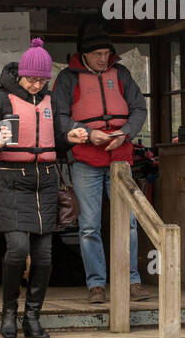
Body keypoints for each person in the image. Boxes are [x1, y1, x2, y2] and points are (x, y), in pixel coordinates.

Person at [0, 38, 83, 338]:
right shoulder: (0, 100)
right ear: (20, 74)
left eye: (41, 80)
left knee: (45, 256)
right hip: (9, 180)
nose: (36, 85)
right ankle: (8, 312)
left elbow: (56, 141)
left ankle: (32, 316)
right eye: (31, 78)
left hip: (44, 182)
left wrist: (70, 137)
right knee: (18, 250)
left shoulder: (51, 101)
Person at [51, 22, 151, 305]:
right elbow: (58, 116)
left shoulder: (121, 74)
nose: (104, 59)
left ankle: (131, 281)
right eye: (98, 54)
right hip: (85, 158)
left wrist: (125, 133)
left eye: (107, 53)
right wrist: (86, 132)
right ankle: (96, 285)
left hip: (120, 158)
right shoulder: (67, 78)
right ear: (85, 54)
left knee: (129, 224)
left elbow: (139, 109)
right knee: (89, 226)